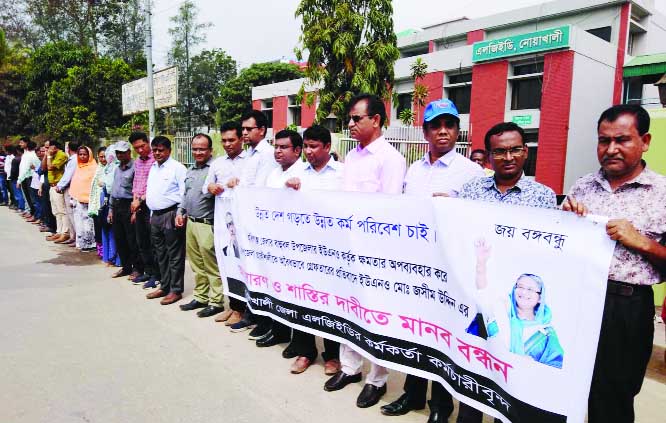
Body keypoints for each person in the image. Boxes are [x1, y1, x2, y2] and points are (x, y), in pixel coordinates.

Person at [562, 104, 666, 423]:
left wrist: (642, 241)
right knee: (567, 388)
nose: (611, 149)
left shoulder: (662, 192)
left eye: (622, 140)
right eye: (603, 141)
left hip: (626, 307)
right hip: (577, 302)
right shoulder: (582, 186)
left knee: (615, 397)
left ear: (645, 141)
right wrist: (565, 224)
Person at [382, 99, 484, 422]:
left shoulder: (471, 172)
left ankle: (440, 407)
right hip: (415, 268)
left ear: (458, 130)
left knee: (442, 340)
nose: (443, 132)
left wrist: (453, 205)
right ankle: (412, 395)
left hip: (449, 272)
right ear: (425, 131)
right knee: (416, 334)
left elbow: (480, 221)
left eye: (449, 125)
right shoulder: (414, 169)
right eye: (435, 126)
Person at [456, 122, 556, 423]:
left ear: (525, 152)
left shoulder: (544, 197)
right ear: (489, 156)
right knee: (473, 365)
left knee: (511, 373)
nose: (508, 157)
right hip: (478, 294)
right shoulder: (470, 190)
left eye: (514, 149)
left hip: (516, 303)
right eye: (499, 151)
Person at [324, 94, 406, 409]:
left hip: (376, 254)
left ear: (376, 120)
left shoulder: (390, 159)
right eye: (350, 118)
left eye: (357, 118)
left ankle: (377, 379)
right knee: (349, 310)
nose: (351, 124)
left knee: (375, 317)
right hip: (347, 250)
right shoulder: (352, 157)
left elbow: (390, 213)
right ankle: (350, 368)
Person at [283, 124, 343, 375]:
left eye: (313, 146)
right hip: (303, 249)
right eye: (306, 146)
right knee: (303, 300)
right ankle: (306, 352)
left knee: (330, 304)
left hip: (332, 250)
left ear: (327, 147)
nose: (308, 151)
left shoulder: (342, 173)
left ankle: (333, 355)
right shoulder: (299, 175)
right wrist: (289, 189)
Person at [467, 239, 564, 368]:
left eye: (530, 289)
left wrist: (533, 366)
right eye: (520, 287)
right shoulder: (500, 310)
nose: (524, 292)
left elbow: (555, 369)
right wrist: (481, 263)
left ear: (540, 297)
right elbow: (482, 290)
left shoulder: (546, 333)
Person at [252, 129, 307, 349]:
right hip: (273, 242)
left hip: (295, 244)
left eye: (283, 147)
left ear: (297, 150)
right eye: (276, 146)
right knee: (276, 288)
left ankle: (299, 341)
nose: (278, 151)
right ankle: (279, 331)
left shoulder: (303, 173)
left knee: (296, 293)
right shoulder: (274, 173)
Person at [225, 110, 278, 334]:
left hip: (259, 221)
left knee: (262, 273)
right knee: (250, 271)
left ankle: (263, 320)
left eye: (248, 129)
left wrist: (242, 188)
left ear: (262, 130)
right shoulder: (252, 153)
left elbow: (260, 188)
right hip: (247, 221)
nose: (244, 133)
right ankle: (251, 313)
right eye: (243, 129)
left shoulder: (266, 154)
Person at [204, 121, 248, 327]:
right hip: (223, 221)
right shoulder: (217, 163)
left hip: (244, 223)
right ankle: (234, 307)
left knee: (244, 266)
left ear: (241, 139)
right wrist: (212, 186)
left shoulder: (249, 161)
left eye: (232, 140)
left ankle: (246, 311)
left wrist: (239, 184)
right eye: (224, 141)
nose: (228, 144)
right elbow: (206, 186)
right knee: (228, 263)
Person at [176, 133, 225, 318]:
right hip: (191, 223)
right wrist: (180, 211)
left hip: (207, 224)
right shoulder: (191, 170)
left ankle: (216, 301)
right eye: (195, 149)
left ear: (210, 150)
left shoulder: (216, 169)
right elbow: (185, 194)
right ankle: (201, 296)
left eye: (202, 148)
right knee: (196, 265)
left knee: (211, 265)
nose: (198, 152)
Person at [145, 136, 187, 306]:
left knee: (174, 254)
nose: (157, 153)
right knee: (160, 253)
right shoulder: (153, 167)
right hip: (155, 215)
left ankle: (175, 290)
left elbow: (184, 193)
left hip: (171, 214)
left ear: (169, 150)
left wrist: (180, 214)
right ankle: (164, 285)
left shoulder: (178, 168)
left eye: (160, 150)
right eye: (154, 150)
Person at [129, 132, 160, 287]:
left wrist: (140, 201)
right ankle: (147, 272)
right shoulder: (137, 162)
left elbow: (154, 187)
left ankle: (157, 275)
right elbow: (136, 184)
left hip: (151, 206)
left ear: (148, 142)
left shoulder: (156, 161)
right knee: (142, 242)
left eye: (142, 146)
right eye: (136, 148)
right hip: (138, 206)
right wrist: (135, 203)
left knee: (153, 242)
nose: (140, 150)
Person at [108, 141, 140, 279]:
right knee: (119, 238)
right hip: (116, 205)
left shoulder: (135, 168)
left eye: (122, 152)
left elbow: (137, 190)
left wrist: (134, 211)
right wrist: (110, 209)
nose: (119, 155)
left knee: (132, 239)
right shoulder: (117, 168)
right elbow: (114, 190)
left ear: (129, 152)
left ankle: (138, 268)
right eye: (117, 153)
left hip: (129, 205)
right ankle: (126, 267)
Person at [69, 146, 98, 251]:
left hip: (88, 201)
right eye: (80, 154)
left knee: (88, 224)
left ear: (89, 155)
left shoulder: (94, 167)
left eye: (84, 154)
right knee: (79, 223)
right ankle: (81, 243)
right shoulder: (79, 167)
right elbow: (76, 183)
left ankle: (90, 245)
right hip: (77, 200)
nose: (82, 156)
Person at [46, 142, 71, 243]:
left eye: (48, 147)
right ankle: (59, 231)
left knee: (62, 210)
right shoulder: (52, 155)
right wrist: (47, 156)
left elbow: (50, 167)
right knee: (56, 211)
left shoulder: (61, 155)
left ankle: (65, 233)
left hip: (58, 185)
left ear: (54, 147)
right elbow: (44, 167)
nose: (47, 149)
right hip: (52, 185)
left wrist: (48, 156)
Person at [56, 141, 80, 246]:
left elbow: (68, 175)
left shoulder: (73, 160)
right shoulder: (73, 159)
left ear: (68, 149)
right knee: (69, 214)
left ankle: (76, 238)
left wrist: (59, 186)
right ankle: (72, 236)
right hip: (69, 187)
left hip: (70, 188)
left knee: (72, 213)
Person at [17, 138, 39, 220]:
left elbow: (26, 169)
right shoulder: (25, 154)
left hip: (30, 178)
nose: (20, 144)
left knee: (32, 198)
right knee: (29, 198)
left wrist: (19, 180)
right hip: (26, 178)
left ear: (27, 144)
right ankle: (32, 213)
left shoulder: (30, 155)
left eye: (22, 143)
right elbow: (23, 168)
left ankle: (35, 215)